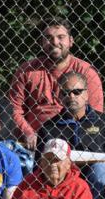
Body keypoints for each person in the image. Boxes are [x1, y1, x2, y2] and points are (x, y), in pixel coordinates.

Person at [9, 17, 104, 151]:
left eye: (61, 37)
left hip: (77, 142)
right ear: (41, 42)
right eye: (48, 37)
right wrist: (28, 132)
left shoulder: (86, 72)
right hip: (36, 143)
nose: (54, 42)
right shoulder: (27, 71)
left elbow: (96, 114)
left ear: (71, 41)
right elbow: (13, 109)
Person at [37, 71, 105, 199]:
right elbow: (39, 167)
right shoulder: (48, 128)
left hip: (95, 181)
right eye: (65, 92)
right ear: (59, 96)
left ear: (87, 94)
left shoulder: (102, 122)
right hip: (62, 179)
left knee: (99, 171)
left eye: (77, 91)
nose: (71, 96)